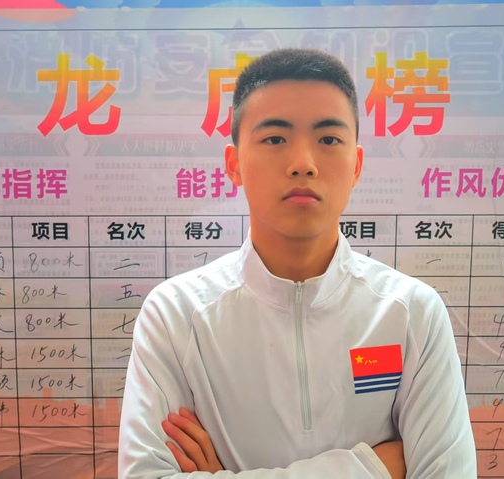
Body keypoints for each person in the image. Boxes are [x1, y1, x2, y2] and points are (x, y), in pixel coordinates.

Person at [118, 48, 477, 478]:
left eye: (328, 140)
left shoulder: (411, 313)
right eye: (275, 139)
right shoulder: (176, 315)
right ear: (234, 163)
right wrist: (367, 468)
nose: (303, 164)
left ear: (357, 165)